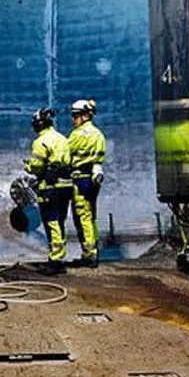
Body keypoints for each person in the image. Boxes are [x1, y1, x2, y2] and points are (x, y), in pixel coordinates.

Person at [23, 108, 73, 274]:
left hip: (50, 187)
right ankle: (59, 255)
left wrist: (28, 166)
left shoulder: (40, 141)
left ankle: (55, 260)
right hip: (66, 186)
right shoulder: (62, 138)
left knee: (51, 222)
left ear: (38, 124)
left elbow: (37, 166)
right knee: (60, 221)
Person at [68, 99, 106, 268]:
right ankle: (94, 250)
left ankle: (89, 254)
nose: (73, 119)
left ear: (84, 116)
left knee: (82, 216)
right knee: (92, 216)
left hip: (80, 178)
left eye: (75, 116)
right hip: (93, 179)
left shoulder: (77, 135)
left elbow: (65, 155)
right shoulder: (98, 134)